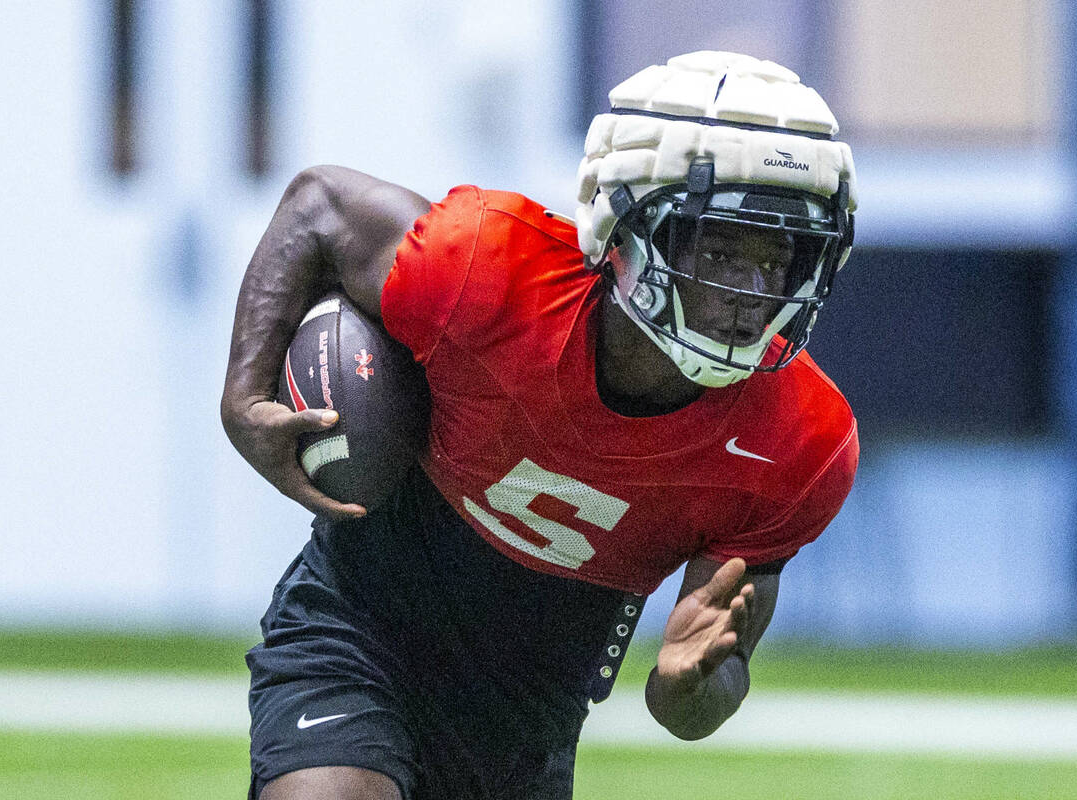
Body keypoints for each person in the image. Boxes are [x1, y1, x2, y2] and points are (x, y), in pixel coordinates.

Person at [222, 51, 859, 800]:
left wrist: (689, 689)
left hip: (527, 722)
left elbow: (702, 696)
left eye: (778, 260)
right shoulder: (484, 270)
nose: (749, 295)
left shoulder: (801, 441)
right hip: (360, 630)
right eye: (718, 249)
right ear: (625, 226)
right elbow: (318, 204)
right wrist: (244, 393)